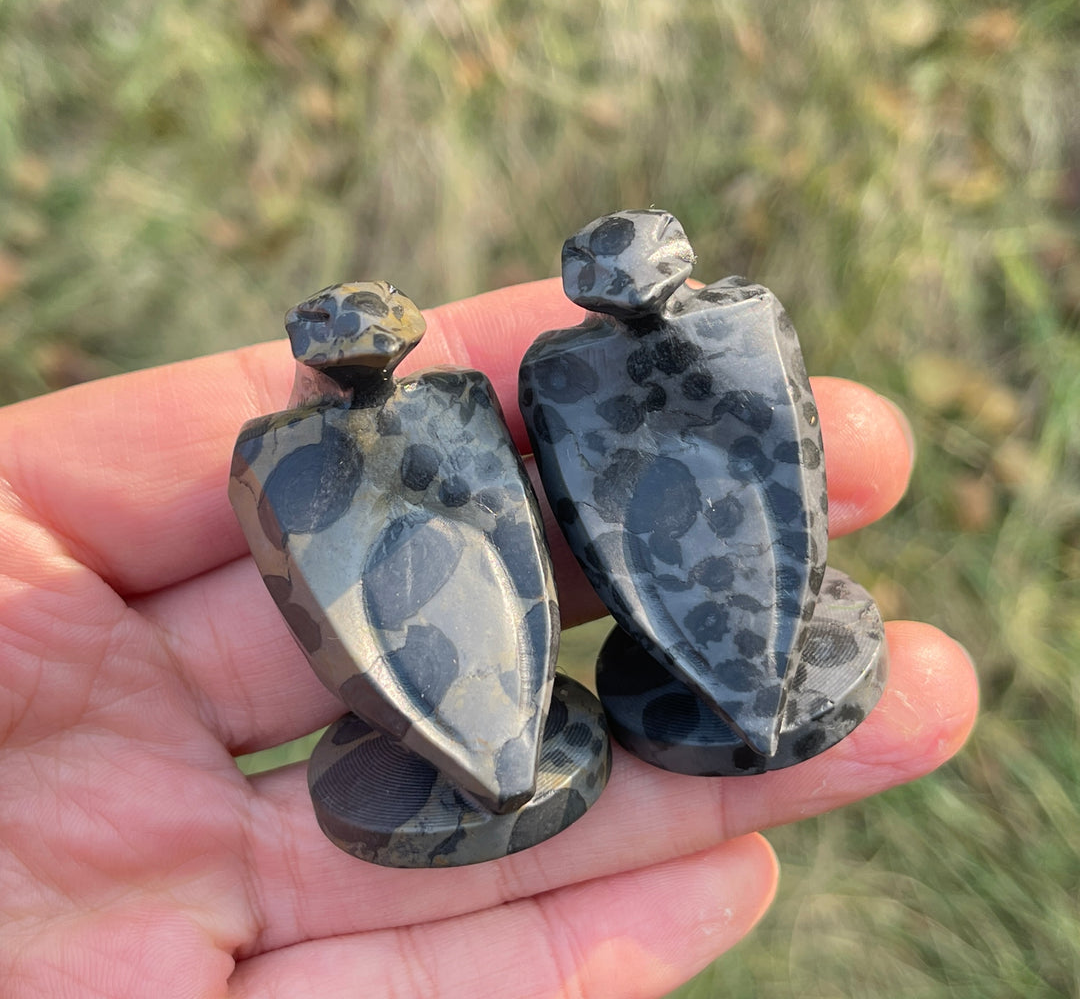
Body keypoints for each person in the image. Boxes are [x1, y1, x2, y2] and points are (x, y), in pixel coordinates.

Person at [0, 278, 977, 998]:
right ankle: (514, 746)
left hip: (547, 715)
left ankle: (581, 727)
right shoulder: (326, 442)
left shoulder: (359, 431)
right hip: (496, 729)